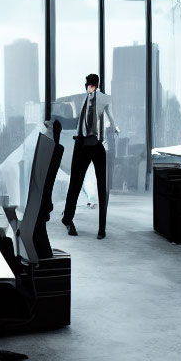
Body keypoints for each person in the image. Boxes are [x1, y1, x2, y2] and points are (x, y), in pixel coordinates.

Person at [61, 74, 119, 239]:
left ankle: (102, 228)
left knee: (102, 186)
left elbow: (111, 118)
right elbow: (72, 117)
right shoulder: (81, 99)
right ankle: (67, 219)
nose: (90, 87)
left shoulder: (105, 99)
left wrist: (115, 128)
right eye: (88, 85)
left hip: (97, 145)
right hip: (81, 144)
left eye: (92, 85)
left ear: (97, 85)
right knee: (75, 184)